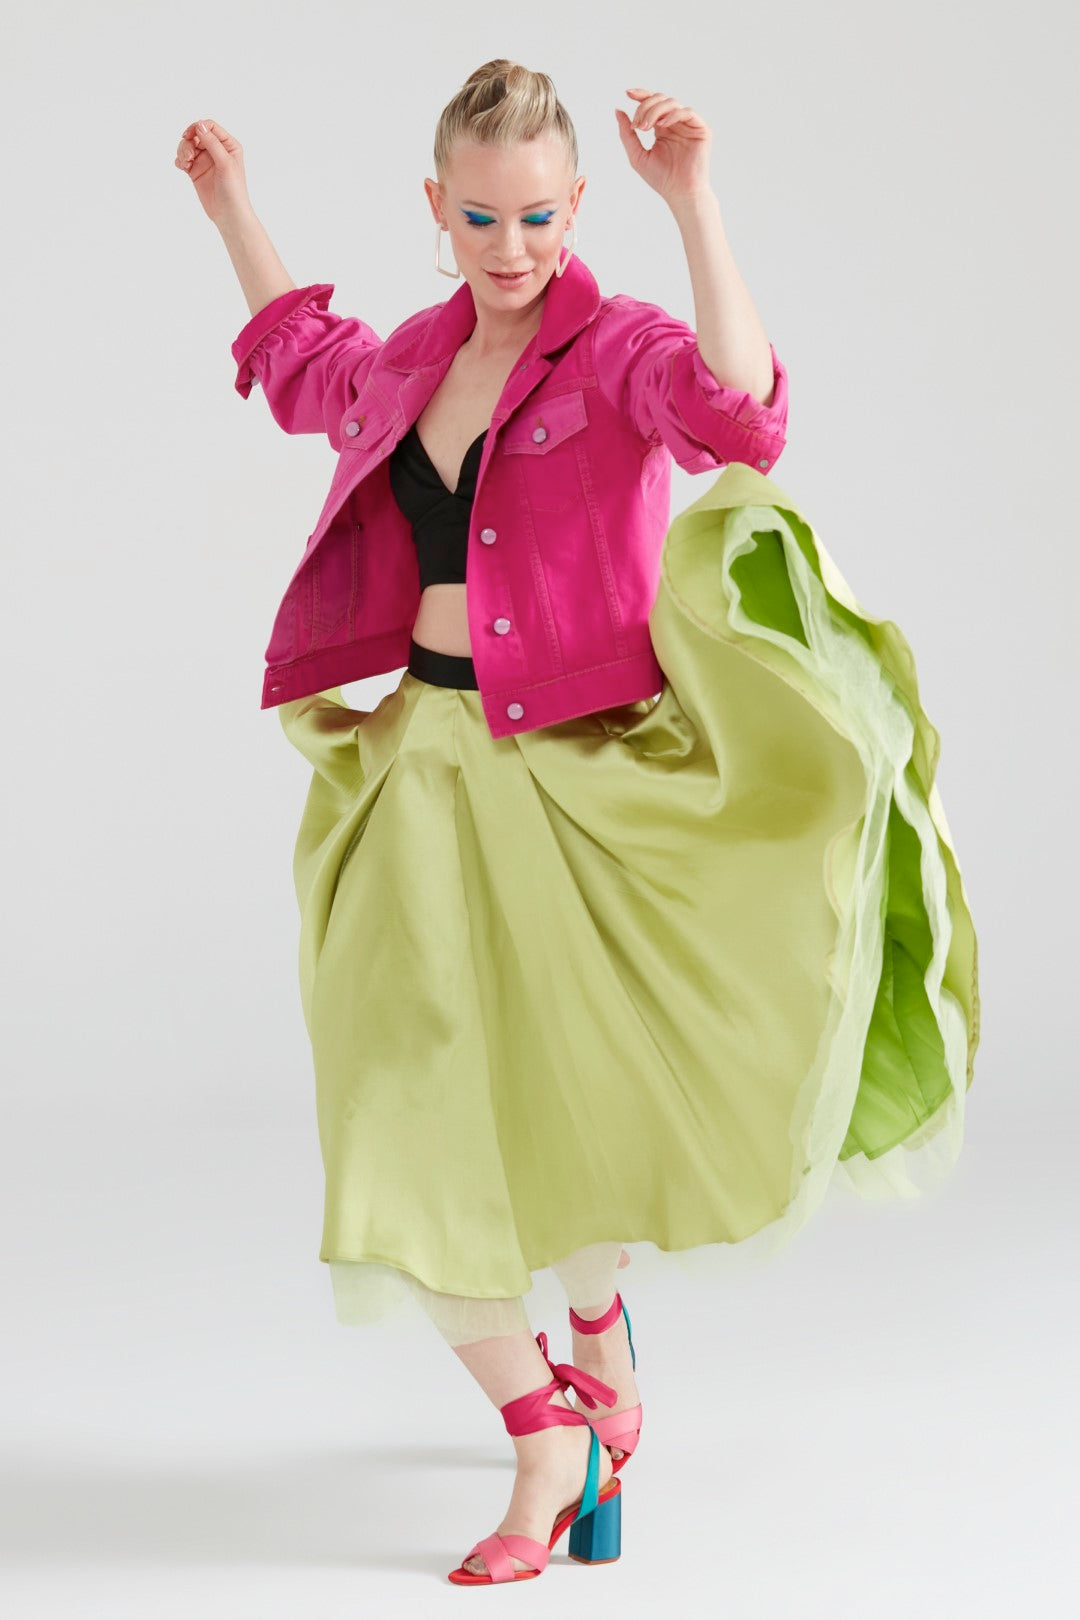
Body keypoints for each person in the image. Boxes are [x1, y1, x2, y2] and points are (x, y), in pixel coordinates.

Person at [176, 59, 980, 1587]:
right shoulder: (414, 359)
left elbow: (740, 418)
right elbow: (302, 365)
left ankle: (595, 1339)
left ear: (576, 206)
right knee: (396, 1104)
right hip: (418, 769)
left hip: (572, 778)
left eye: (539, 216)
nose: (511, 245)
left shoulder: (616, 351)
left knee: (567, 1094)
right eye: (481, 216)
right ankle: (552, 1431)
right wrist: (232, 207)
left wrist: (696, 205)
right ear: (437, 208)